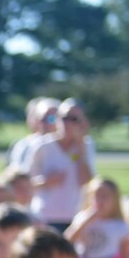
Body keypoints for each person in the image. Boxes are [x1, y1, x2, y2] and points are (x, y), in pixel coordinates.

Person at [29, 99, 95, 232]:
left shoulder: (86, 145)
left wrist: (80, 148)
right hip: (45, 215)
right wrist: (47, 182)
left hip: (75, 215)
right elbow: (27, 183)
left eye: (74, 119)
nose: (67, 123)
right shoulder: (42, 146)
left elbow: (87, 183)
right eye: (64, 118)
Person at [65, 178, 129, 258]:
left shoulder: (120, 225)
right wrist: (87, 219)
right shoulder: (82, 218)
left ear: (115, 200)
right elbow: (67, 241)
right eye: (96, 196)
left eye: (105, 196)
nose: (100, 200)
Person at [7, 98, 60, 172]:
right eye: (41, 118)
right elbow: (18, 175)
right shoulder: (25, 145)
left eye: (51, 118)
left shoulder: (71, 146)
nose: (44, 123)